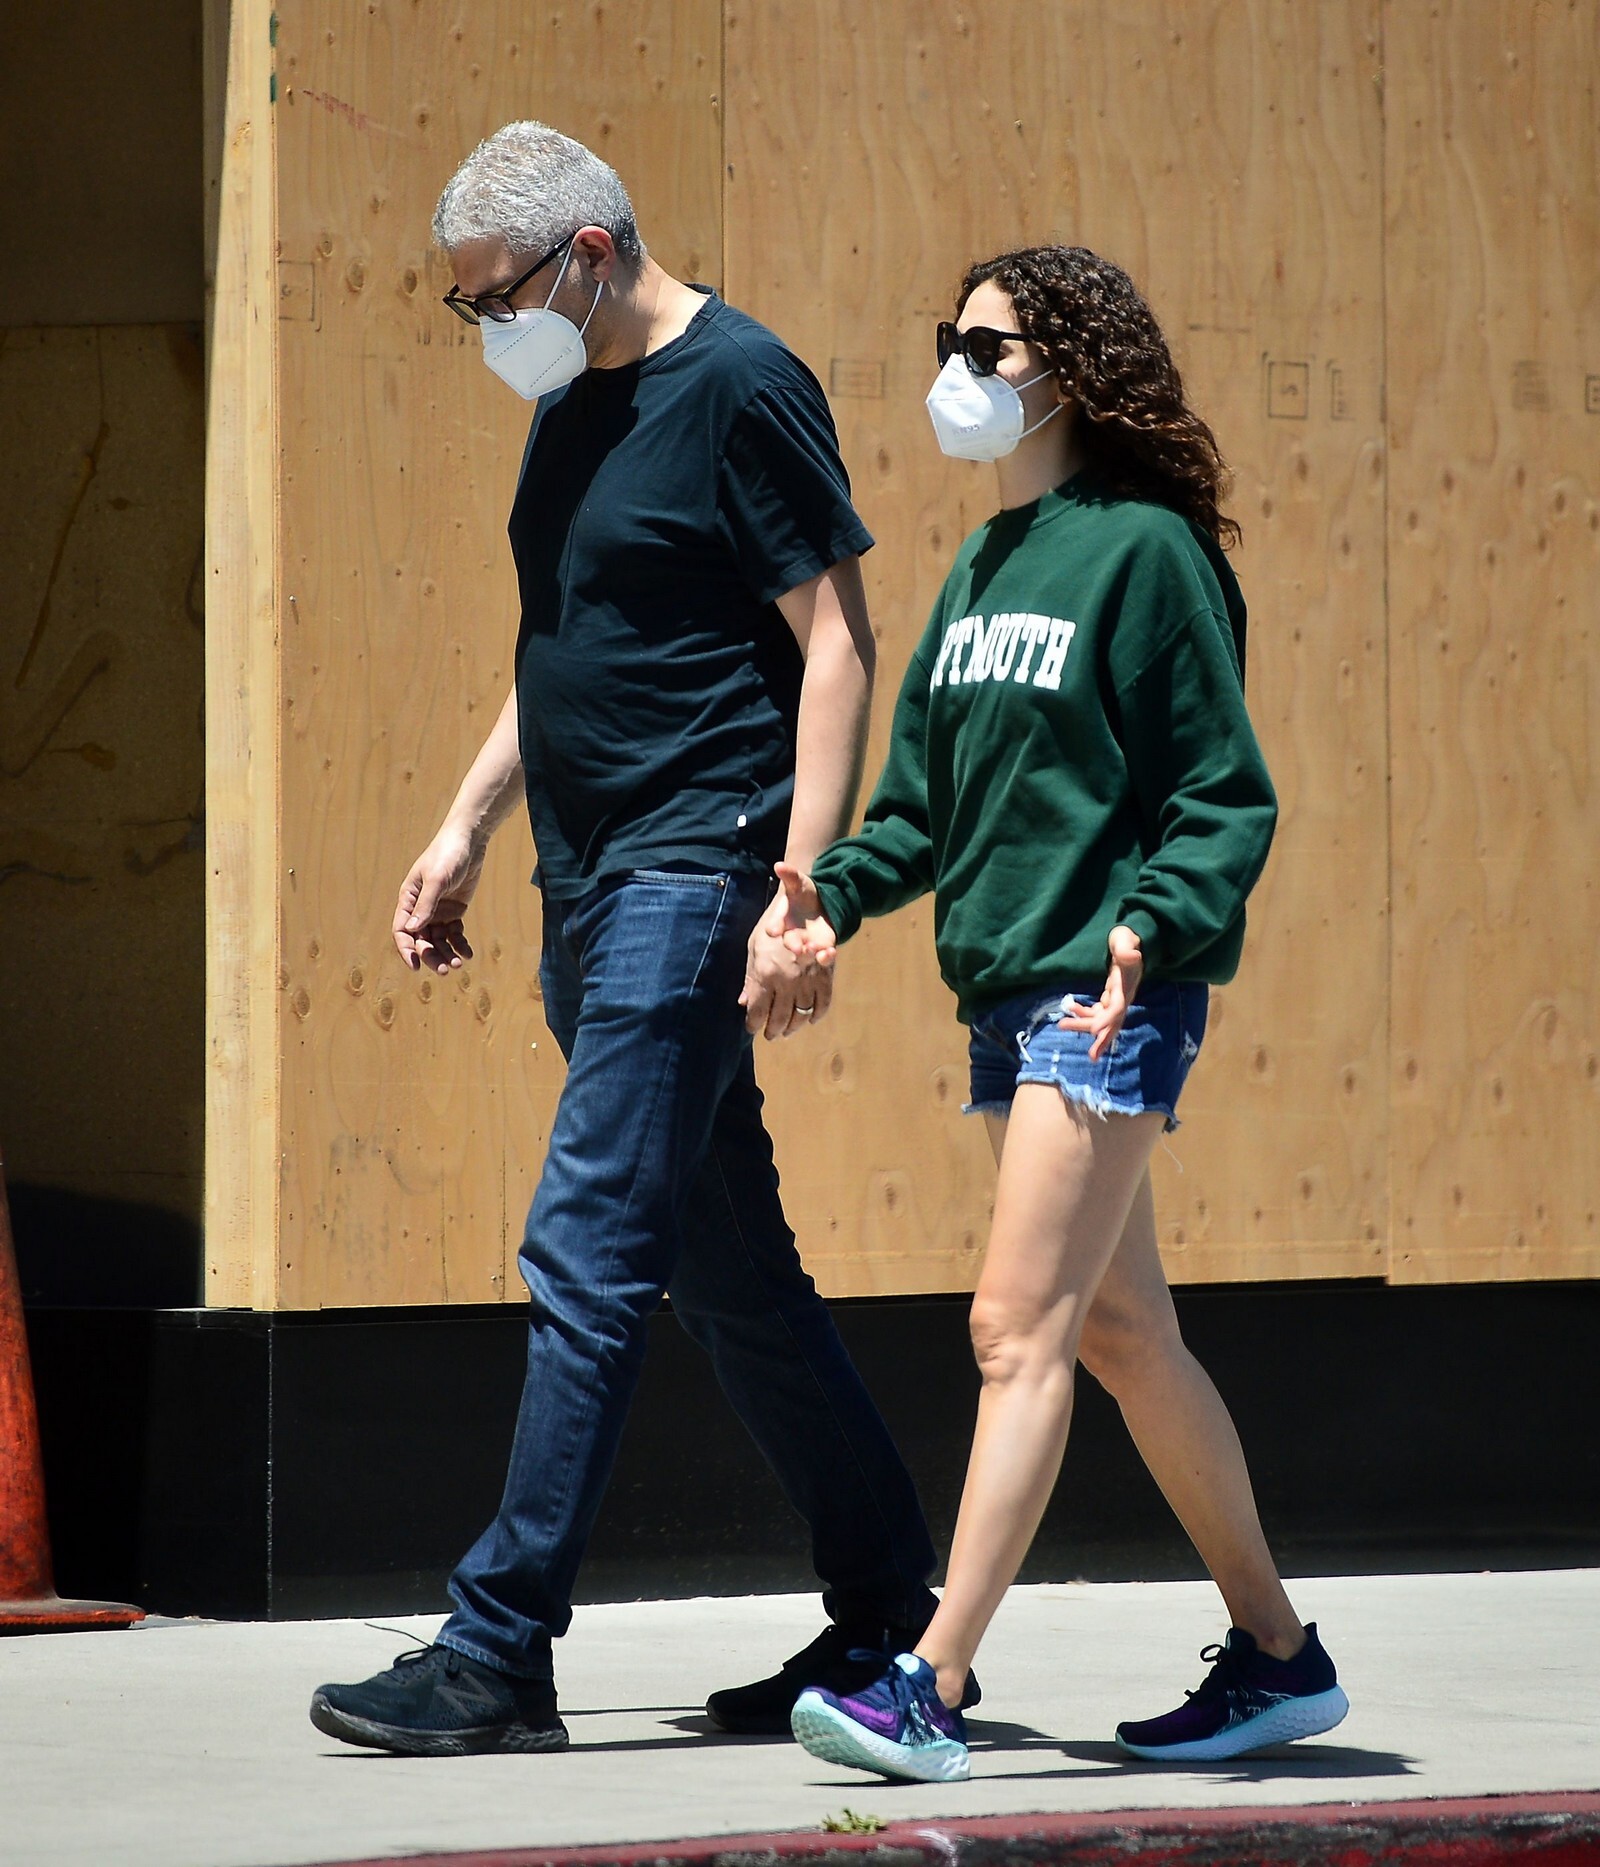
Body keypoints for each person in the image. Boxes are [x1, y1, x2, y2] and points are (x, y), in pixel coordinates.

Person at [309, 122, 974, 1756]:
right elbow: (562, 639)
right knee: (727, 1276)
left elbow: (837, 641)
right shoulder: (573, 402)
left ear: (591, 252)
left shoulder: (741, 384)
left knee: (589, 1252)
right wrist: (466, 827)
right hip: (587, 882)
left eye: (500, 297)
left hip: (695, 870)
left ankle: (497, 1653)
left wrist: (801, 889)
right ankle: (891, 1616)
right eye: (470, 306)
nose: (491, 328)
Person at [777, 246, 1350, 1782]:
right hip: (1004, 992)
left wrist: (1151, 932)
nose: (956, 373)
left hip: (1104, 999)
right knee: (1122, 1333)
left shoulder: (1148, 555)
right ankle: (1280, 1657)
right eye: (948, 341)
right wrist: (827, 896)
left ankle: (932, 1684)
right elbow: (918, 806)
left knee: (1013, 1327)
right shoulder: (982, 565)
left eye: (989, 348)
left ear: (1073, 372)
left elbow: (1222, 792)